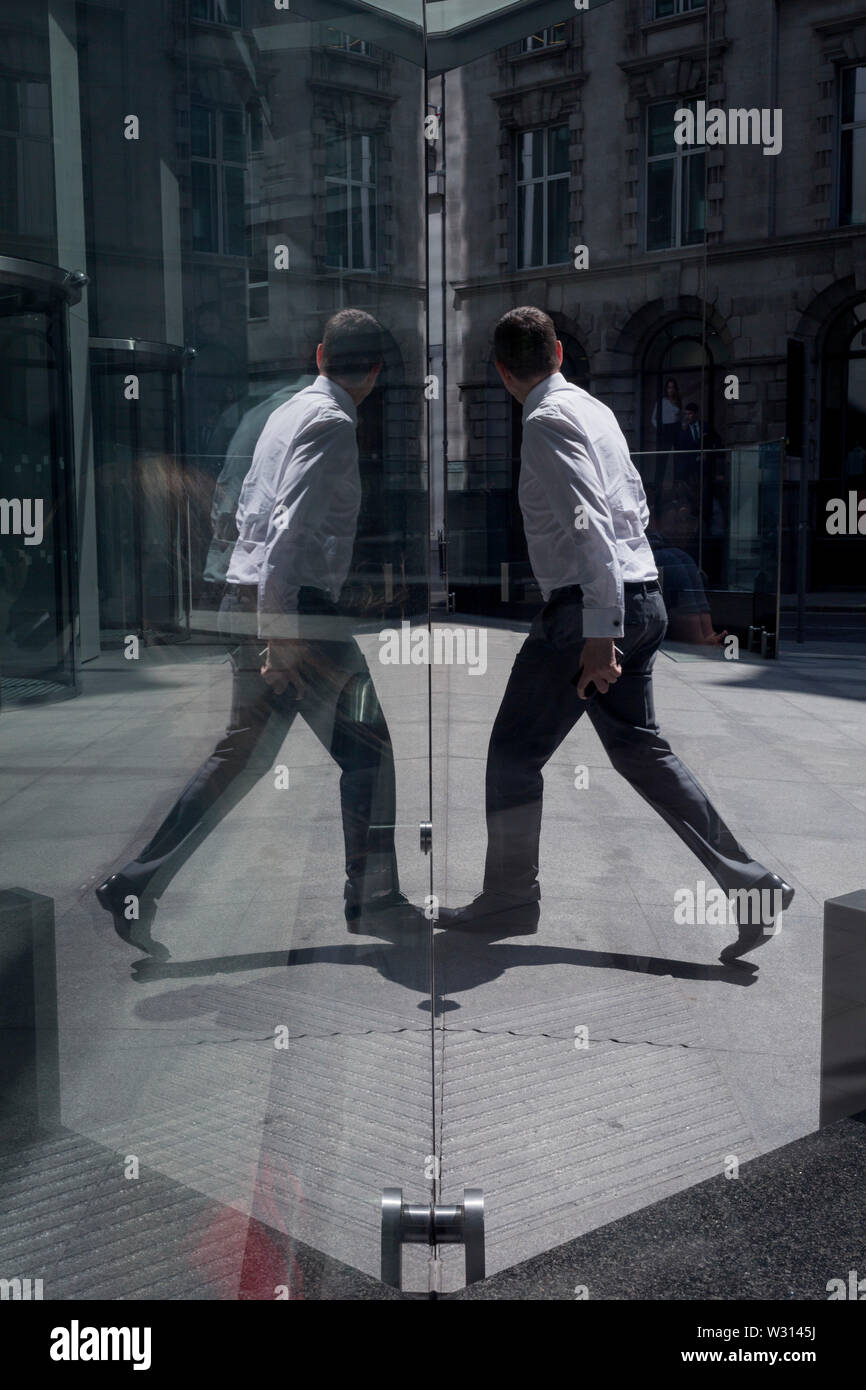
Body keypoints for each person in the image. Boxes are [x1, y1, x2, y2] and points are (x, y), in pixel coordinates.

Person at [441, 307, 792, 963]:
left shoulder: (545, 420)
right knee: (640, 752)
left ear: (500, 370)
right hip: (642, 594)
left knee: (514, 754)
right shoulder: (593, 410)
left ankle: (511, 898)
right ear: (559, 355)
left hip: (589, 612)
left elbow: (590, 525)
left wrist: (601, 631)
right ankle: (753, 887)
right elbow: (634, 505)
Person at [96, 310, 414, 950]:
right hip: (298, 615)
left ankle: (135, 880)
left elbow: (246, 510)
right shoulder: (330, 424)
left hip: (264, 605)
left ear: (321, 355)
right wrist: (280, 635)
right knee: (368, 754)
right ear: (376, 371)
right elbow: (288, 534)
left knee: (242, 756)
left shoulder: (286, 412)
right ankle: (372, 899)